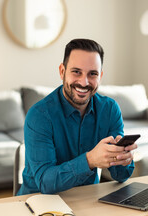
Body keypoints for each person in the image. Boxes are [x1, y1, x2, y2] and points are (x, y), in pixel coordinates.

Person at [17, 38, 137, 196]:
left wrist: (123, 159)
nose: (84, 82)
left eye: (92, 74)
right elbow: (45, 183)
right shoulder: (39, 116)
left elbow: (121, 176)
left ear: (100, 76)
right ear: (62, 71)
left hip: (87, 201)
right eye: (76, 72)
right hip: (36, 204)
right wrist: (90, 160)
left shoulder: (109, 110)